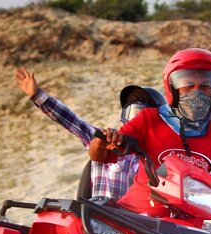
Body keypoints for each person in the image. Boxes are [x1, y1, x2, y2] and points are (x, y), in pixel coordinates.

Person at [89, 48, 211, 217]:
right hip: (138, 215)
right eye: (188, 85)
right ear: (173, 88)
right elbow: (101, 156)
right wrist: (101, 141)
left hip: (191, 224)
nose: (196, 92)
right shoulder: (149, 118)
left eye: (204, 86)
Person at [14, 67, 166, 201]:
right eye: (134, 112)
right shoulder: (106, 140)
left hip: (143, 227)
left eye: (143, 114)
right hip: (102, 224)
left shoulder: (163, 157)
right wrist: (38, 96)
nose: (138, 120)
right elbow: (71, 120)